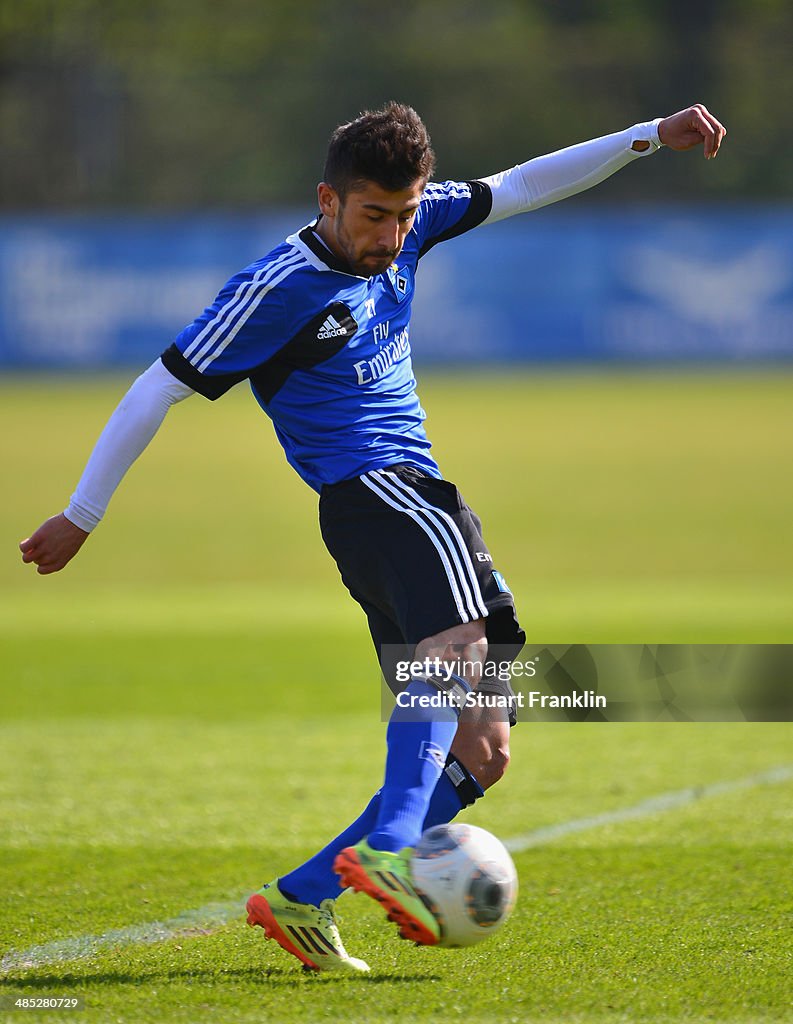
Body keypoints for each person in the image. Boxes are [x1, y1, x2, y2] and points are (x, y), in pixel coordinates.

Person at [20, 101, 726, 973]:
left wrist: (650, 135)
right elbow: (156, 387)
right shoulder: (277, 286)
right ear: (327, 199)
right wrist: (82, 513)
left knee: (483, 750)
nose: (391, 235)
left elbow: (520, 185)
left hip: (409, 497)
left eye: (403, 214)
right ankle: (392, 846)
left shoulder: (415, 220)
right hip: (376, 493)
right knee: (458, 643)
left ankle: (305, 895)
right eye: (372, 216)